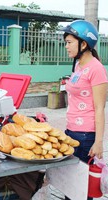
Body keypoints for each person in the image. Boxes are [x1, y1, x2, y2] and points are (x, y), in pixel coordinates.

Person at [61, 20, 107, 199]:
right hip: (71, 131)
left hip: (86, 136)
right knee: (70, 185)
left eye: (69, 42)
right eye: (66, 42)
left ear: (84, 44)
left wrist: (98, 142)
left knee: (80, 190)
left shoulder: (97, 69)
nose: (66, 46)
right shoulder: (79, 65)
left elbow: (99, 107)